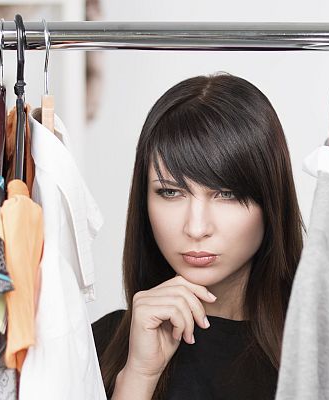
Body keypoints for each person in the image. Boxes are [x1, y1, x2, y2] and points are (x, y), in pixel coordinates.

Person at [93, 72, 304, 400]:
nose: (196, 227)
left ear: (270, 199)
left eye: (226, 194)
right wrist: (138, 376)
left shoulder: (317, 350)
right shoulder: (103, 347)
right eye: (170, 192)